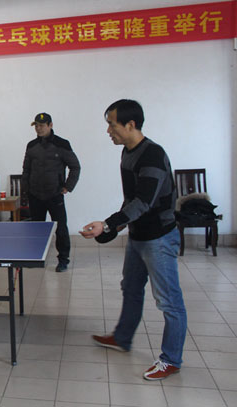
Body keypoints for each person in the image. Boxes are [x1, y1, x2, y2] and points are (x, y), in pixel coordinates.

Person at [80, 99, 187, 381]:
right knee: (130, 288)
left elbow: (144, 202)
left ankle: (171, 359)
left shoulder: (152, 155)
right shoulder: (127, 153)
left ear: (130, 124)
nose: (108, 131)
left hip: (159, 238)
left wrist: (107, 224)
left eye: (112, 125)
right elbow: (131, 199)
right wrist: (113, 229)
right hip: (138, 236)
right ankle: (122, 338)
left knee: (169, 301)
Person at [21, 113, 80, 272]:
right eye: (36, 126)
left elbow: (75, 167)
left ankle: (63, 260)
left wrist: (68, 186)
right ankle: (35, 257)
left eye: (42, 125)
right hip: (35, 195)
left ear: (50, 125)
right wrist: (25, 191)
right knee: (36, 229)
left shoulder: (62, 144)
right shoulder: (31, 145)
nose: (38, 129)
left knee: (61, 229)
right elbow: (26, 170)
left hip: (54, 194)